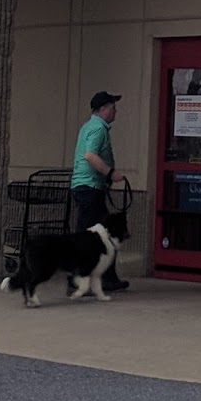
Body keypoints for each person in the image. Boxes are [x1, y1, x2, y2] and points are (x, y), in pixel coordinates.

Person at [71, 90, 128, 292]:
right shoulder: (98, 129)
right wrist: (110, 173)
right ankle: (78, 281)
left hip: (87, 187)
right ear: (103, 109)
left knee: (102, 234)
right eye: (113, 108)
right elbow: (90, 155)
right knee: (93, 237)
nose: (116, 111)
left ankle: (107, 278)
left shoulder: (89, 126)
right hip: (90, 188)